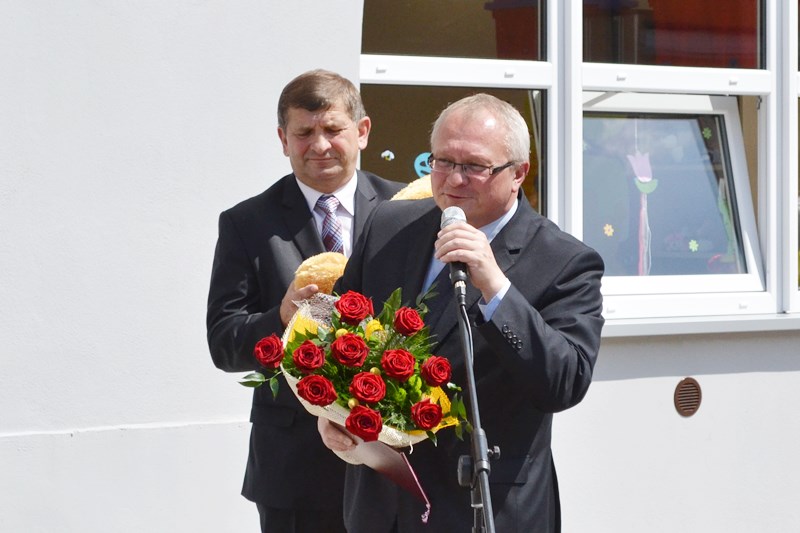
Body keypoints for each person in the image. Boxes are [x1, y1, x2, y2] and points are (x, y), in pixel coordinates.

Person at [318, 93, 605, 532]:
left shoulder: (565, 261)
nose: (454, 178)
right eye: (442, 161)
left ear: (518, 173)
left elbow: (564, 383)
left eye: (474, 166)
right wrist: (330, 414)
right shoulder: (388, 226)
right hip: (380, 506)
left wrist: (496, 286)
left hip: (484, 506)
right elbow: (336, 335)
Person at [206, 69, 404, 532]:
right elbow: (224, 343)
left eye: (333, 129)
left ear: (362, 131)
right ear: (283, 139)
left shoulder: (407, 209)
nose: (320, 145)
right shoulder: (246, 223)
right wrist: (280, 317)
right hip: (295, 472)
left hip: (392, 460)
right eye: (304, 133)